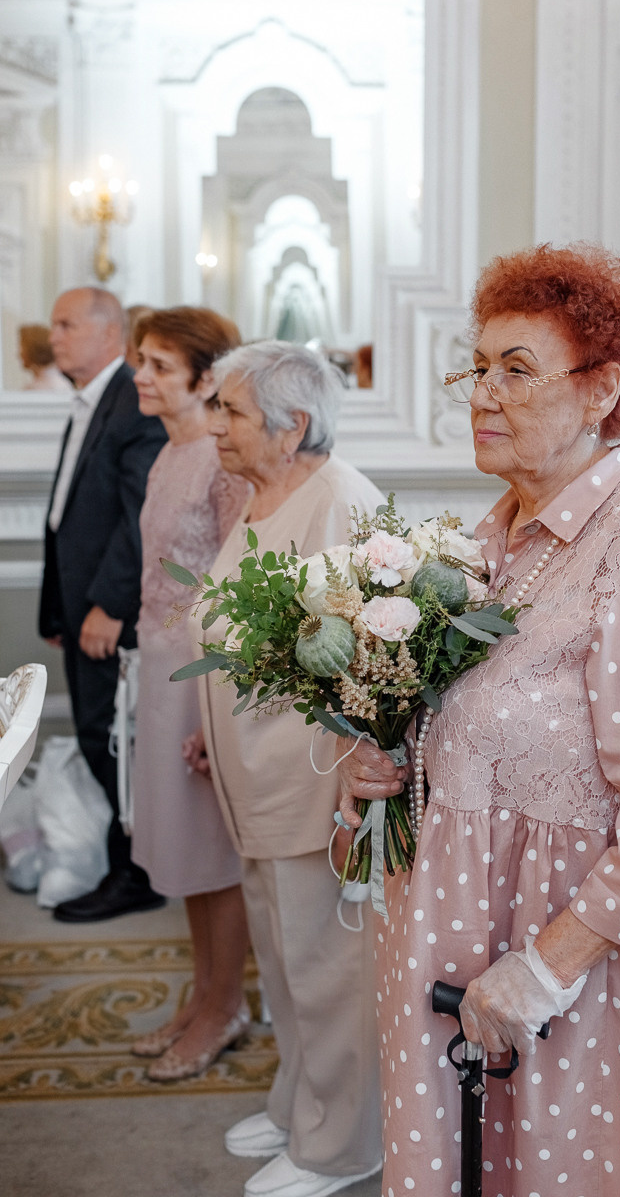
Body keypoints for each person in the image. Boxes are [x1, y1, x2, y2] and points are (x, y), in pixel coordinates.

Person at [338, 243, 620, 1196]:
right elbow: (480, 737)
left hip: (587, 985)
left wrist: (543, 972)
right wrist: (384, 768)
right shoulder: (484, 542)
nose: (484, 394)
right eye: (477, 369)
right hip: (457, 950)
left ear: (601, 388)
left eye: (517, 371)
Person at [183, 341, 384, 1197]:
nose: (213, 424)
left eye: (227, 409)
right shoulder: (267, 494)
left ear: (291, 423)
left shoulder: (338, 501)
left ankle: (341, 1146)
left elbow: (365, 661)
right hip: (256, 777)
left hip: (313, 781)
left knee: (330, 971)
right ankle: (299, 1101)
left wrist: (355, 796)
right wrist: (210, 725)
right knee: (283, 957)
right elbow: (243, 634)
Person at [129, 306, 252, 1080]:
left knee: (212, 852)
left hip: (203, 674)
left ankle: (224, 1006)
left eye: (160, 366)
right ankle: (204, 995)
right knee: (178, 848)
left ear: (206, 379)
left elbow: (243, 574)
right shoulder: (168, 453)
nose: (140, 376)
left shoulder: (219, 457)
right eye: (141, 360)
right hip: (155, 664)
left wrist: (224, 701)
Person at [39, 287, 167, 922]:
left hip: (108, 607)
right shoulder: (93, 397)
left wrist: (108, 606)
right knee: (98, 734)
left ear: (107, 330)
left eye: (66, 324)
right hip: (79, 605)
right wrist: (56, 611)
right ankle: (130, 862)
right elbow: (67, 516)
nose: (53, 335)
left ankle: (136, 871)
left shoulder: (132, 400)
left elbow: (140, 515)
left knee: (108, 738)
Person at [18, 323, 72, 392]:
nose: (20, 353)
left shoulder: (53, 386)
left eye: (22, 348)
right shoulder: (39, 384)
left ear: (35, 349)